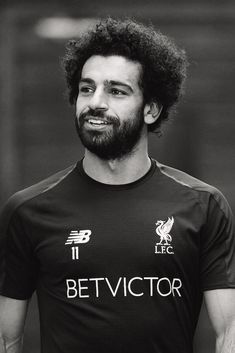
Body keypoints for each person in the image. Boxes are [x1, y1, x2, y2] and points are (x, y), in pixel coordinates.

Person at [0, 17, 235, 353]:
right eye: (86, 88)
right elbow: (6, 339)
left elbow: (230, 332)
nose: (96, 101)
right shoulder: (27, 211)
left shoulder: (203, 205)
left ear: (151, 109)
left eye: (116, 91)